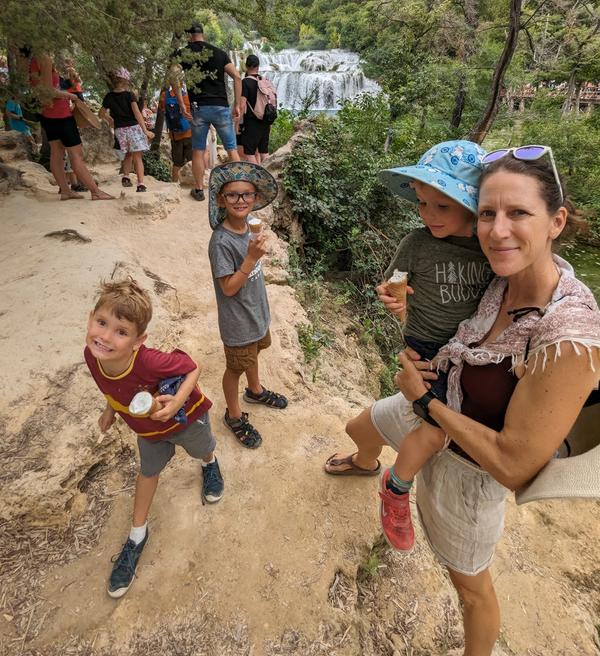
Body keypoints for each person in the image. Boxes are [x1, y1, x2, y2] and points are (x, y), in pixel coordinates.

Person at [333, 146, 600, 656]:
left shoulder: (568, 333)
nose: (498, 230)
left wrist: (424, 400)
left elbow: (514, 466)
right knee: (358, 426)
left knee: (471, 589)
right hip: (438, 390)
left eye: (519, 213)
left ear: (556, 221)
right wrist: (408, 333)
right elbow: (435, 310)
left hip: (468, 465)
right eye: (487, 213)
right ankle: (366, 462)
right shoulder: (501, 276)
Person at [324, 141, 492, 548]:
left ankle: (386, 473)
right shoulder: (416, 243)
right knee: (434, 430)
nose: (428, 215)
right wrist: (393, 299)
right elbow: (393, 287)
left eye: (441, 206)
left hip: (467, 356)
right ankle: (396, 488)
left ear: (471, 205)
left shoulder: (491, 250)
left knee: (436, 425)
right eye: (422, 204)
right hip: (424, 349)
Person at [85, 278, 224, 598]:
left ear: (138, 340)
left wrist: (176, 402)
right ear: (90, 317)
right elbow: (112, 387)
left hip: (186, 419)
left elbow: (192, 367)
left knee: (202, 449)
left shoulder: (149, 361)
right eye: (101, 323)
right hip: (147, 432)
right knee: (147, 473)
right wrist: (111, 410)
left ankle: (210, 463)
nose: (105, 337)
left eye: (121, 332)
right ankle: (137, 535)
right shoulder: (94, 356)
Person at [208, 162, 288, 448]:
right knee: (235, 368)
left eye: (247, 194)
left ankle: (255, 391)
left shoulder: (249, 231)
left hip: (256, 314)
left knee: (253, 355)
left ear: (255, 198)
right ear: (221, 199)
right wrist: (251, 259)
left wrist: (254, 252)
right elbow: (228, 288)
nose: (240, 200)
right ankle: (233, 415)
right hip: (238, 321)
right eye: (232, 195)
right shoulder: (221, 241)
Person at [171, 22, 241, 201]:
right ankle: (238, 187)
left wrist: (181, 102)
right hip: (220, 106)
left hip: (198, 107)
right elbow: (237, 76)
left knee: (198, 150)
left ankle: (199, 190)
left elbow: (174, 76)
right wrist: (237, 105)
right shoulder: (218, 53)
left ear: (189, 36)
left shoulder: (184, 53)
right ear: (203, 34)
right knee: (232, 148)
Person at [29, 53, 113, 200]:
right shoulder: (45, 59)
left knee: (57, 152)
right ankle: (95, 191)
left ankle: (65, 190)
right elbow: (49, 91)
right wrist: (71, 96)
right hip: (60, 115)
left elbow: (40, 89)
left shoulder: (33, 61)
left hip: (46, 114)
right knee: (76, 154)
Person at [100, 68, 154, 192]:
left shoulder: (109, 96)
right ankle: (140, 184)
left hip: (120, 130)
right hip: (133, 129)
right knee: (137, 157)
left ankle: (125, 177)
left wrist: (110, 120)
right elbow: (137, 114)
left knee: (128, 154)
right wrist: (145, 131)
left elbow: (101, 113)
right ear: (125, 80)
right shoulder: (129, 95)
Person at [238, 54, 272, 164]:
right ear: (258, 66)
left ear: (246, 66)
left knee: (249, 154)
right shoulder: (264, 81)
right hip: (266, 121)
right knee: (264, 152)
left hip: (252, 123)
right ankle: (268, 176)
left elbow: (242, 105)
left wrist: (238, 123)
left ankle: (257, 179)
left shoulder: (245, 82)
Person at [159, 77, 193, 183]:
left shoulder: (165, 95)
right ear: (182, 83)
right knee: (193, 161)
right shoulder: (187, 96)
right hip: (189, 133)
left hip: (175, 134)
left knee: (177, 163)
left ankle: (174, 184)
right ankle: (195, 184)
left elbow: (161, 108)